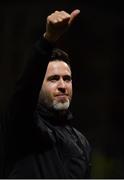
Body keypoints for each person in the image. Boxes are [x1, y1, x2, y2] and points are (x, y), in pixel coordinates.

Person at [0, 9, 91, 178]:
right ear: (38, 87)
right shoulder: (24, 126)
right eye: (54, 79)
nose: (63, 85)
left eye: (67, 79)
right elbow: (25, 90)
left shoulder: (81, 142)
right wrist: (48, 40)